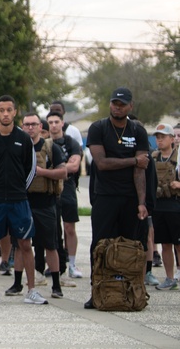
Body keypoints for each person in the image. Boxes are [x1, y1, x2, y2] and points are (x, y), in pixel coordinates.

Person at [0, 95, 47, 305]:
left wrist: (19, 190)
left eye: (9, 110)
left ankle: (32, 290)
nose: (5, 113)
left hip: (19, 199)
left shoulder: (24, 138)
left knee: (25, 244)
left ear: (15, 112)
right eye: (1, 110)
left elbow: (31, 168)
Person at [84, 87, 150, 309]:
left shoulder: (138, 131)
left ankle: (128, 293)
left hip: (130, 197)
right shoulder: (98, 128)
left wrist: (142, 202)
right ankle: (97, 293)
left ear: (130, 106)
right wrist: (132, 160)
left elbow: (141, 171)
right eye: (114, 103)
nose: (117, 107)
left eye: (122, 104)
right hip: (105, 196)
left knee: (130, 247)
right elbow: (102, 163)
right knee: (100, 245)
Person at [20, 112, 67, 299]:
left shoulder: (50, 147)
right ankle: (18, 283)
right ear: (22, 127)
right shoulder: (19, 147)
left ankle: (56, 285)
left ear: (41, 127)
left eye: (34, 124)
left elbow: (63, 172)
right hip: (23, 202)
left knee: (51, 245)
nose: (30, 128)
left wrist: (41, 172)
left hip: (46, 202)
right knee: (21, 244)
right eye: (26, 124)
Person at [48, 112, 84, 280]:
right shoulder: (45, 143)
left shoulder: (71, 143)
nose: (54, 125)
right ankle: (55, 264)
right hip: (50, 188)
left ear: (62, 123)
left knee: (69, 227)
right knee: (52, 228)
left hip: (68, 186)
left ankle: (72, 264)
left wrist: (53, 170)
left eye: (56, 122)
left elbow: (75, 165)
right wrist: (62, 168)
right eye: (50, 122)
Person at [149, 123, 180, 290]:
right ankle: (169, 278)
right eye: (157, 137)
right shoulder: (153, 157)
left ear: (171, 138)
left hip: (176, 205)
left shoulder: (179, 157)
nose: (159, 140)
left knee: (179, 244)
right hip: (159, 206)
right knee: (165, 244)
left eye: (163, 137)